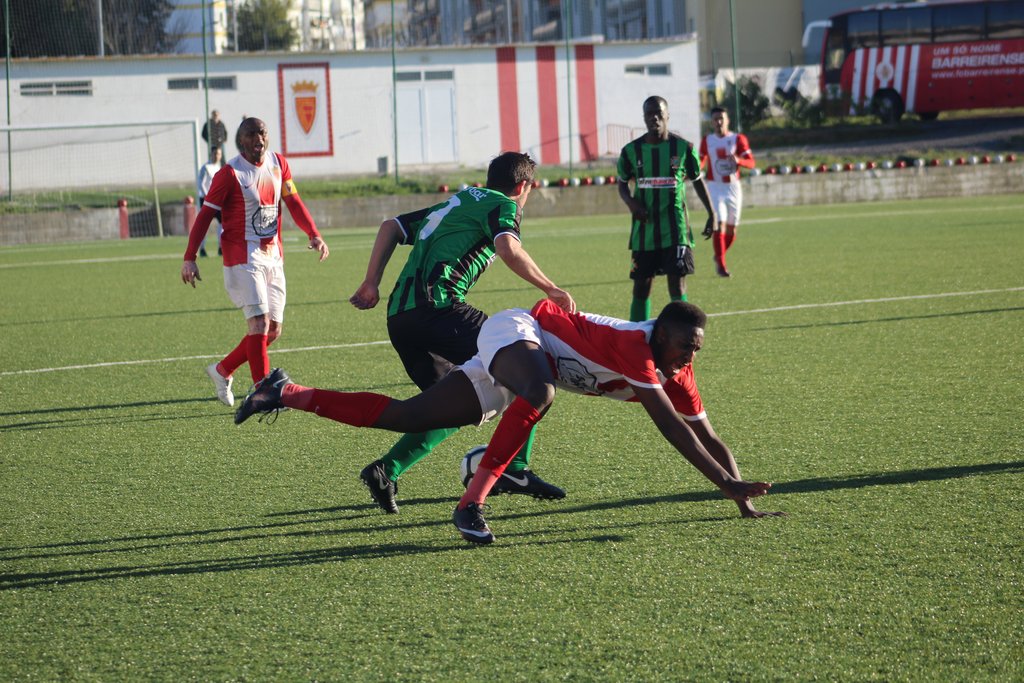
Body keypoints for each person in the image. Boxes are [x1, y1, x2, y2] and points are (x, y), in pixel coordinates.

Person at [235, 298, 783, 545]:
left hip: (527, 360)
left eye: (696, 348)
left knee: (407, 416)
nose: (690, 356)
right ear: (660, 334)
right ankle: (471, 504)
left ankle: (285, 392)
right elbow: (670, 428)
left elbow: (706, 435)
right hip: (520, 331)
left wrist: (740, 496)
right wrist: (723, 482)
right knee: (541, 391)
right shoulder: (636, 348)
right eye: (686, 345)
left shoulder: (679, 374)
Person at [348, 151, 575, 514]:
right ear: (523, 186)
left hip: (401, 318)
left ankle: (386, 470)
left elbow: (391, 225)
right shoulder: (504, 205)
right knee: (529, 365)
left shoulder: (461, 200)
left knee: (452, 406)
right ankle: (515, 468)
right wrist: (551, 288)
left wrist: (371, 282)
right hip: (438, 308)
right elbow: (508, 247)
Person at [181, 117, 330, 407]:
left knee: (272, 330)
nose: (258, 138)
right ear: (241, 141)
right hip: (242, 257)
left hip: (273, 256)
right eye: (251, 134)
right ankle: (263, 392)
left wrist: (314, 233)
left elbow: (293, 201)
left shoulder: (278, 164)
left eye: (262, 133)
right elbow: (205, 215)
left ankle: (222, 370)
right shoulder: (229, 174)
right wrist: (190, 257)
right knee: (259, 322)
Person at [617, 96, 716, 322]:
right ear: (644, 118)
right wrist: (632, 204)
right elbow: (622, 184)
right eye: (649, 114)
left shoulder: (683, 148)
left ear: (667, 116)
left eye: (659, 113)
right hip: (645, 231)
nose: (654, 118)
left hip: (676, 229)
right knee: (641, 286)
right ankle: (636, 335)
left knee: (677, 285)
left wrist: (712, 213)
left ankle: (682, 332)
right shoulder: (631, 151)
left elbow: (697, 180)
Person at [700, 107, 756, 278]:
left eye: (721, 119)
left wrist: (739, 160)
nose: (719, 122)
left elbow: (751, 163)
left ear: (727, 120)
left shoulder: (738, 139)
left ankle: (719, 256)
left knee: (732, 231)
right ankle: (722, 266)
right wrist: (692, 170)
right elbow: (701, 160)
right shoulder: (707, 140)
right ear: (711, 122)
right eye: (715, 119)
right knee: (720, 224)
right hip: (714, 187)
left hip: (733, 188)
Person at [196, 146, 223, 258]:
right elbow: (201, 183)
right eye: (215, 153)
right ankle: (202, 249)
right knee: (204, 225)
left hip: (217, 200)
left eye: (218, 154)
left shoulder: (219, 167)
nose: (217, 156)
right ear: (211, 154)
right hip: (206, 200)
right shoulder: (205, 167)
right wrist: (208, 196)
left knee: (222, 223)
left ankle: (221, 248)